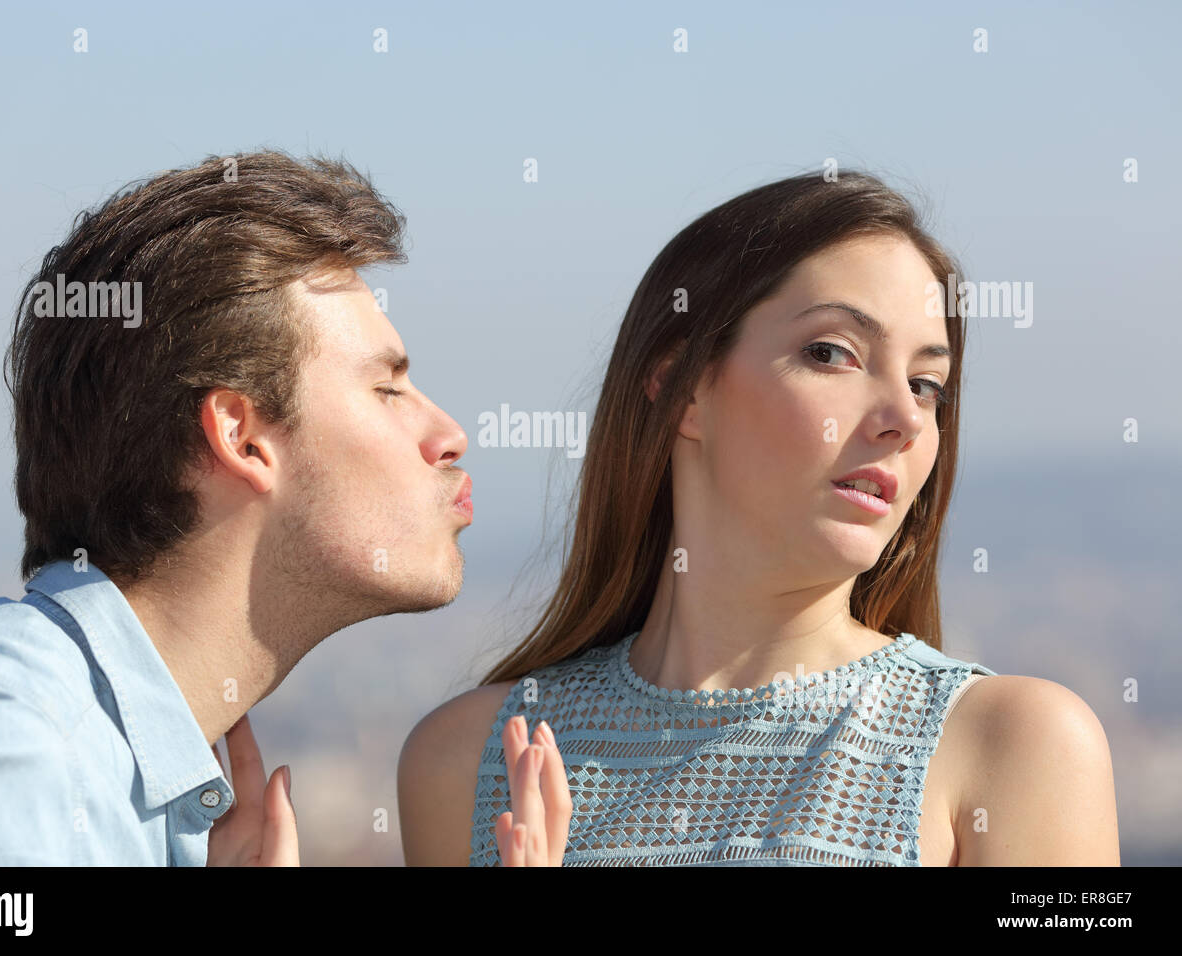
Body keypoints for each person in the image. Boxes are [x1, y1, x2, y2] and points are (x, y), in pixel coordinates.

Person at [397, 169, 1120, 866]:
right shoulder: (465, 761)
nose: (905, 416)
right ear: (682, 388)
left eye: (927, 384)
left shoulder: (1016, 746)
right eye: (832, 352)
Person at [0, 149, 475, 865]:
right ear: (243, 436)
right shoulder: (4, 762)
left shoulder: (100, 779)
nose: (449, 435)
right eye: (387, 390)